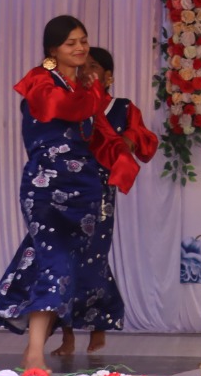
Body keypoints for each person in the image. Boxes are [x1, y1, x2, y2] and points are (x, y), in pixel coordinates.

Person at [0, 16, 137, 371]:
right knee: (56, 264)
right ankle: (35, 353)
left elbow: (102, 135)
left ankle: (38, 346)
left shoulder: (84, 86)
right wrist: (92, 93)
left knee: (58, 266)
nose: (80, 48)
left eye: (83, 41)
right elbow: (66, 108)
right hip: (46, 189)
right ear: (52, 49)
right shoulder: (40, 81)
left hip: (85, 192)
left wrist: (122, 156)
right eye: (71, 43)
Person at [52, 47, 160, 356]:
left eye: (94, 67)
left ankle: (98, 323)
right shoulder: (72, 104)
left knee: (94, 257)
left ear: (108, 76)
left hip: (100, 192)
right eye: (81, 67)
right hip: (68, 190)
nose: (86, 72)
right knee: (65, 260)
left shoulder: (121, 107)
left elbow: (143, 138)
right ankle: (67, 335)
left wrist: (127, 140)